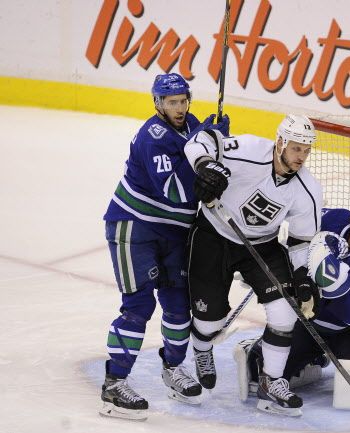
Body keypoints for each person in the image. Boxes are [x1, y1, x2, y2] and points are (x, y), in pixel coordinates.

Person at [100, 73, 229, 420]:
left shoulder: (191, 128)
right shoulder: (152, 138)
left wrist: (217, 144)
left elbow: (205, 158)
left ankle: (173, 369)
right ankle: (114, 385)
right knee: (138, 306)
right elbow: (174, 191)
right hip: (135, 227)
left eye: (183, 100)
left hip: (173, 234)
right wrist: (205, 158)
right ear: (157, 103)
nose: (178, 107)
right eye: (171, 102)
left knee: (177, 305)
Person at [183, 114, 323, 416]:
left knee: (285, 312)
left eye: (306, 150)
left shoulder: (307, 189)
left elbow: (300, 241)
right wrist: (206, 166)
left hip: (262, 244)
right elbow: (199, 141)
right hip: (214, 233)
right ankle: (203, 349)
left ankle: (271, 382)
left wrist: (301, 275)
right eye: (297, 148)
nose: (301, 157)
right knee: (209, 322)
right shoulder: (247, 149)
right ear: (281, 142)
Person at [234, 194, 350, 408]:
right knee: (260, 373)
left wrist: (332, 281)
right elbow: (293, 241)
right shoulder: (330, 220)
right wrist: (270, 271)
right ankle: (313, 357)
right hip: (312, 321)